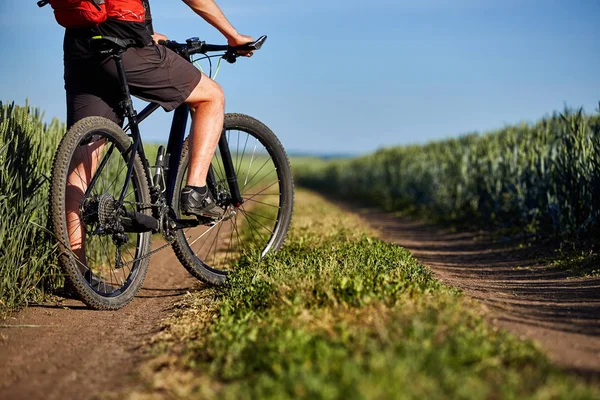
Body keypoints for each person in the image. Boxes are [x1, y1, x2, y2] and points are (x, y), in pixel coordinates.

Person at [64, 0, 253, 265]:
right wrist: (232, 35)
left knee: (81, 167)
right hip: (123, 45)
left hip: (81, 47)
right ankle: (196, 190)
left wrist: (147, 34)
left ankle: (75, 270)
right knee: (212, 96)